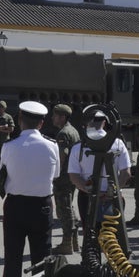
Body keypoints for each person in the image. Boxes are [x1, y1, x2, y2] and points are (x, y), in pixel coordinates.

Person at [0, 101, 59, 277]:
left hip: (15, 206)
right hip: (41, 206)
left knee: (12, 259)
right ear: (41, 122)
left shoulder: (9, 146)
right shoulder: (52, 145)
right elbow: (56, 174)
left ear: (20, 120)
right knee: (42, 259)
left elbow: (4, 172)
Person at [68, 110, 132, 236]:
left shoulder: (78, 147)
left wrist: (91, 191)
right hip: (113, 198)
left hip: (88, 198)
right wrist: (110, 192)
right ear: (104, 122)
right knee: (112, 238)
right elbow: (126, 174)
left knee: (90, 237)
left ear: (87, 123)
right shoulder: (118, 144)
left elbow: (73, 176)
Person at [49, 104, 81, 254]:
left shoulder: (63, 133)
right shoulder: (73, 131)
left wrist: (54, 174)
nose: (52, 118)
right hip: (72, 175)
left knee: (63, 210)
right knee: (69, 207)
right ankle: (74, 242)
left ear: (62, 117)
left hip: (63, 178)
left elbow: (62, 156)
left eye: (55, 115)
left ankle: (67, 243)